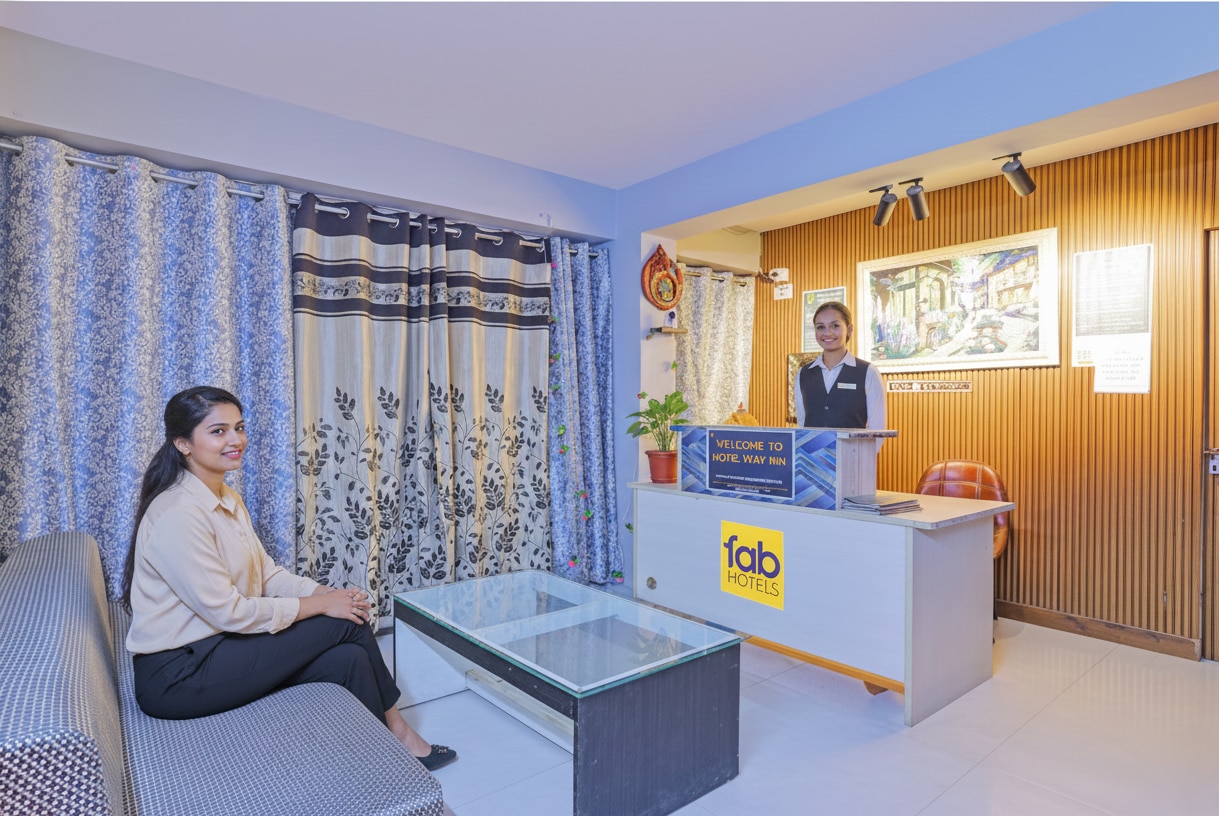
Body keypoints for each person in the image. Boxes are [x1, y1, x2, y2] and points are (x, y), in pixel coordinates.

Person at [120, 385, 457, 772]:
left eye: (239, 427)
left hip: (215, 648)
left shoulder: (226, 498)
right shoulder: (179, 513)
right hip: (178, 676)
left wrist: (323, 592)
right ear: (183, 444)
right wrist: (322, 606)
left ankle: (377, 760)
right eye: (218, 431)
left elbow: (266, 575)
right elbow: (229, 612)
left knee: (347, 658)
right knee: (347, 625)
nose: (235, 440)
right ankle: (401, 736)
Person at [795, 301, 886, 445]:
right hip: (812, 457)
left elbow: (877, 430)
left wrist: (862, 458)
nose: (827, 333)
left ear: (849, 329)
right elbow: (802, 424)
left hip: (855, 456)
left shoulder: (868, 372)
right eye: (820, 327)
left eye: (835, 326)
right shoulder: (803, 374)